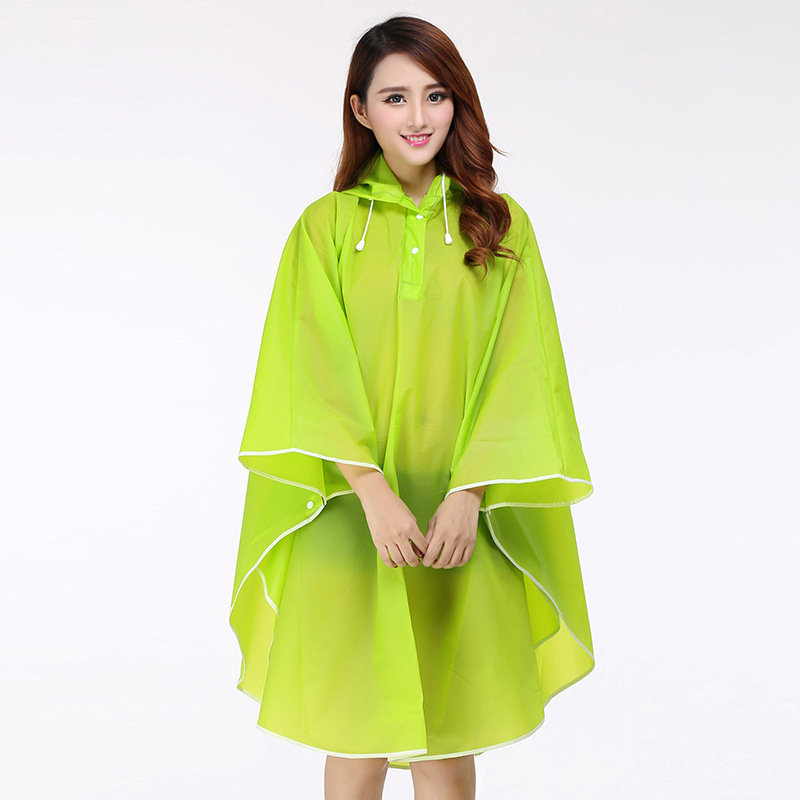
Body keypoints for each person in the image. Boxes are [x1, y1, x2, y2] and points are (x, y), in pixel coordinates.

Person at [229, 15, 595, 800]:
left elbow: (523, 370)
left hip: (458, 520)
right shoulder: (325, 228)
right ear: (360, 110)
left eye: (436, 95)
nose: (419, 116)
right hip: (347, 514)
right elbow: (306, 368)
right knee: (354, 739)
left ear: (459, 103)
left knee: (446, 742)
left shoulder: (498, 227)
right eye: (395, 97)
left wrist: (469, 493)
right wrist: (371, 491)